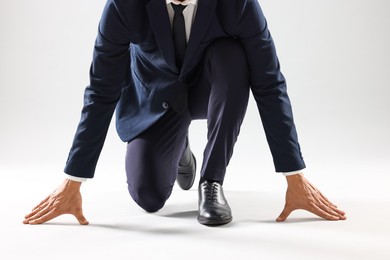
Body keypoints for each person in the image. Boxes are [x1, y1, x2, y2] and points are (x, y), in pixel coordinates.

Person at [24, 0, 346, 226]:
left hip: (210, 87)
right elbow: (101, 90)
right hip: (156, 96)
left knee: (232, 57)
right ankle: (179, 148)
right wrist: (73, 180)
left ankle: (211, 182)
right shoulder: (124, 5)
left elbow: (269, 84)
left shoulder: (238, 4)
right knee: (148, 198)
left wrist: (293, 174)